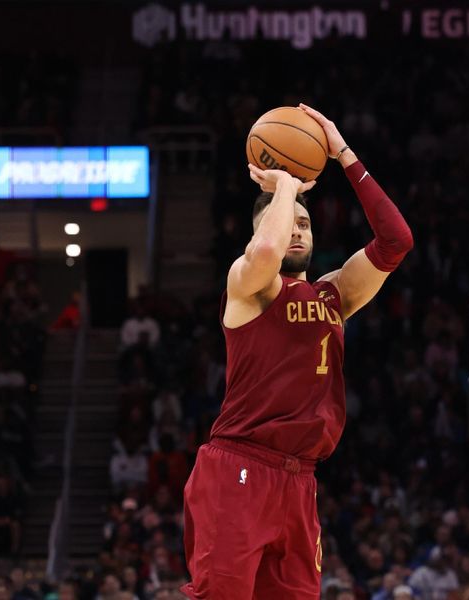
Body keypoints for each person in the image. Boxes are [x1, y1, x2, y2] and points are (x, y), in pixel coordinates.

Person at [181, 103, 413, 599]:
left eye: (305, 224)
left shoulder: (335, 293)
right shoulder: (249, 287)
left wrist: (343, 153)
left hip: (299, 480)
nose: (297, 229)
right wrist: (284, 185)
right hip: (239, 466)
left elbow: (396, 240)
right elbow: (264, 253)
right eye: (288, 223)